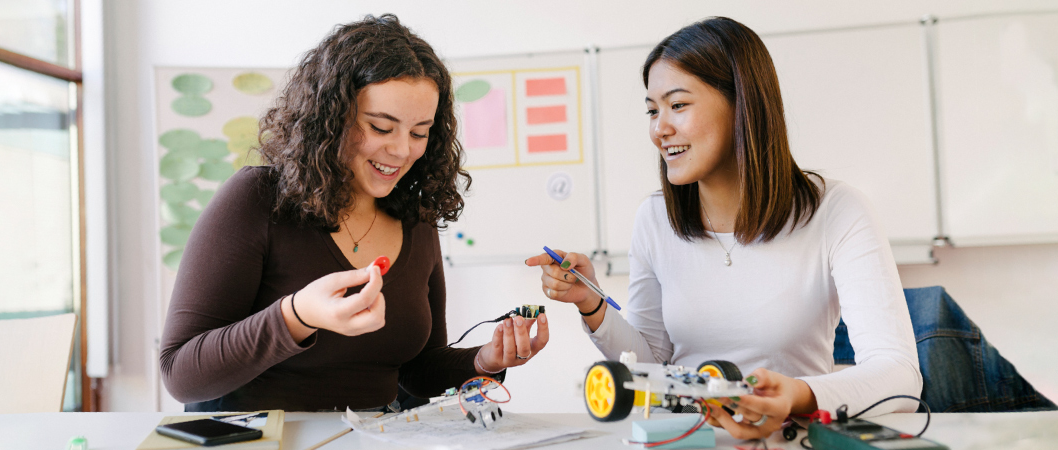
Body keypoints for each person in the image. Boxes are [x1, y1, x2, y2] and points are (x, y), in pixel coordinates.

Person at [526, 17, 921, 439]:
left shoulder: (836, 210)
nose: (659, 129)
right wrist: (592, 303)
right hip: (689, 440)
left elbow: (898, 375)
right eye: (652, 110)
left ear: (743, 104)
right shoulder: (655, 218)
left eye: (678, 105)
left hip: (790, 440)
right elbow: (651, 368)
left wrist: (798, 394)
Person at [161, 14, 548, 412]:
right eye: (381, 127)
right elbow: (180, 374)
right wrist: (297, 315)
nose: (401, 151)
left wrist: (484, 361)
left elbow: (416, 371)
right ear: (330, 118)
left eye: (419, 132)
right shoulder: (256, 199)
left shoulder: (417, 219)